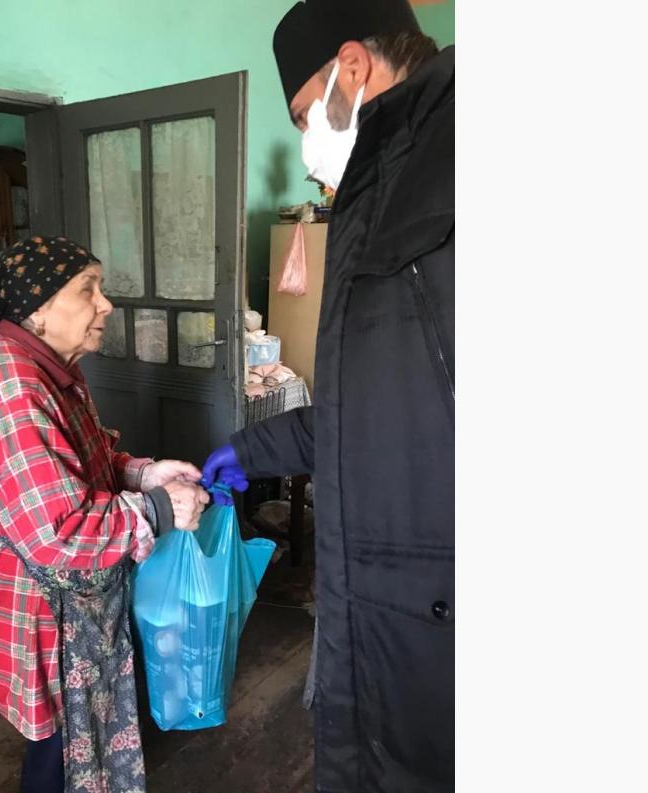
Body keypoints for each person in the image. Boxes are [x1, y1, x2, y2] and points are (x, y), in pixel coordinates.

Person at [201, 2, 454, 790]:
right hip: (377, 621)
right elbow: (373, 411)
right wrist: (250, 448)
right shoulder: (375, 196)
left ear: (352, 68)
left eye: (304, 114)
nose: (308, 143)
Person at [0, 235, 210, 793]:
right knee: (61, 745)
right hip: (41, 607)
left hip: (59, 604)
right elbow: (59, 531)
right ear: (37, 310)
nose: (106, 304)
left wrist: (146, 475)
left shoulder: (45, 368)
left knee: (65, 739)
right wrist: (161, 506)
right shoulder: (12, 390)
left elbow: (81, 463)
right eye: (87, 289)